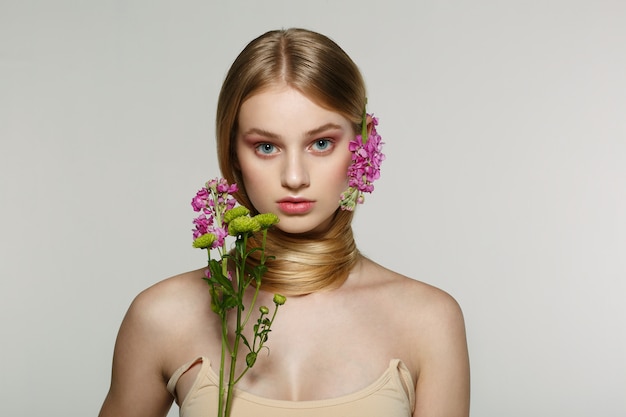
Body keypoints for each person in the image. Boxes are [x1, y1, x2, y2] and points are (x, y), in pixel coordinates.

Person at [98, 28, 470, 417]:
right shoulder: (162, 316)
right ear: (234, 153)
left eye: (321, 143)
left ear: (363, 144)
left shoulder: (428, 322)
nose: (294, 177)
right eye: (266, 147)